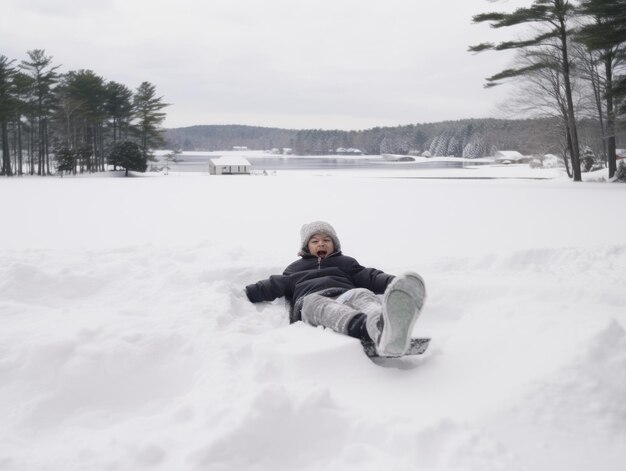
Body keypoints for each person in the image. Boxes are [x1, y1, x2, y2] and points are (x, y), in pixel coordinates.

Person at [244, 221, 426, 356]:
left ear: (335, 244)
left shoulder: (345, 263)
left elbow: (369, 276)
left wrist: (395, 284)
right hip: (310, 301)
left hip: (345, 294)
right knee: (317, 303)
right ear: (306, 247)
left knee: (362, 294)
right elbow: (275, 284)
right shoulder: (295, 269)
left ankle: (384, 322)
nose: (321, 244)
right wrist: (248, 292)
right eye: (314, 241)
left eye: (326, 240)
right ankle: (371, 329)